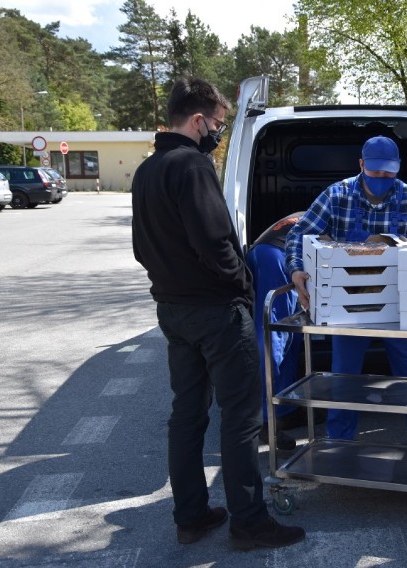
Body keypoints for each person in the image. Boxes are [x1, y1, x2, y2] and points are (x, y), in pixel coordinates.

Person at [131, 77, 304, 551]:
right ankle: (250, 522)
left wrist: (172, 284)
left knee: (187, 414)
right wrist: (241, 285)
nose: (218, 133)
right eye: (218, 125)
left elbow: (140, 248)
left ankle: (191, 516)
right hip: (215, 312)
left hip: (173, 310)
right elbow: (215, 243)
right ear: (197, 120)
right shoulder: (191, 165)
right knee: (241, 417)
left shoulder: (147, 171)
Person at [285, 135, 407, 447]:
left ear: (398, 169)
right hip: (350, 305)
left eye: (389, 174)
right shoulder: (337, 195)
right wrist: (295, 269)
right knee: (344, 377)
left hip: (399, 304)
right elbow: (300, 233)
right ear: (361, 165)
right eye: (375, 173)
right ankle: (339, 441)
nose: (382, 180)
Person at [246, 211, 313, 452]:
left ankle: (285, 410)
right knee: (274, 335)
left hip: (268, 252)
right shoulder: (339, 213)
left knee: (291, 336)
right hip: (275, 257)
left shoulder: (317, 208)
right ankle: (264, 420)